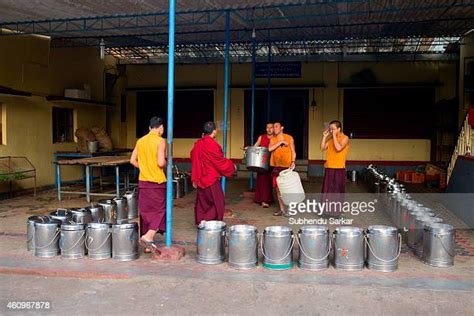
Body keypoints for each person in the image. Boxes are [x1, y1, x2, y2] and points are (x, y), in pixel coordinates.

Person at [130, 116, 167, 253]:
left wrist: (144, 167)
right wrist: (166, 164)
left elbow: (133, 160)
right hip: (157, 181)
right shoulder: (161, 141)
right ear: (161, 128)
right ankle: (149, 236)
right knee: (160, 210)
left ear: (149, 128)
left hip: (143, 181)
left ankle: (147, 243)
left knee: (146, 212)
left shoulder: (140, 141)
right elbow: (161, 163)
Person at [191, 121, 236, 225]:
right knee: (218, 202)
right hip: (211, 178)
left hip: (200, 177)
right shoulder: (213, 145)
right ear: (214, 132)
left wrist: (194, 177)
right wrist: (231, 166)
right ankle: (206, 220)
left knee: (202, 202)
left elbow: (194, 158)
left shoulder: (198, 144)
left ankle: (201, 220)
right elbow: (219, 161)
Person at [320, 120, 350, 216]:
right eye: (330, 129)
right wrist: (324, 136)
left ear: (339, 129)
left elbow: (338, 148)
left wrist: (333, 136)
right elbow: (322, 147)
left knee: (337, 190)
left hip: (339, 168)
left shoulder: (345, 138)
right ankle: (326, 211)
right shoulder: (330, 139)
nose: (331, 130)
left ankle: (336, 212)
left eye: (333, 129)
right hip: (329, 167)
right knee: (327, 190)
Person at [268, 121, 296, 216]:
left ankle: (289, 209)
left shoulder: (289, 138)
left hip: (286, 167)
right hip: (276, 167)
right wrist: (280, 142)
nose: (274, 128)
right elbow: (270, 149)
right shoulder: (273, 139)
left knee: (287, 189)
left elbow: (293, 151)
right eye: (273, 127)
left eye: (276, 126)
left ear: (281, 128)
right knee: (278, 190)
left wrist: (293, 161)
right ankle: (282, 209)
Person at [251, 122, 275, 208]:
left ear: (273, 129)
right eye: (267, 127)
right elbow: (255, 146)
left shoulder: (276, 138)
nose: (269, 129)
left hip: (272, 162)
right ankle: (262, 200)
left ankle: (267, 199)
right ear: (266, 128)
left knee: (268, 182)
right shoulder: (261, 137)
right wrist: (249, 148)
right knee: (261, 181)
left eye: (271, 127)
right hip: (262, 162)